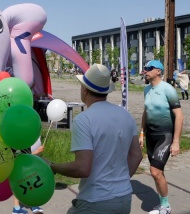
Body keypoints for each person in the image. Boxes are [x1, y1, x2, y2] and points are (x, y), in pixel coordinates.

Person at [50, 64, 143, 214]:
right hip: (124, 198)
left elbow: (82, 168)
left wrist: (53, 167)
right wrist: (119, 183)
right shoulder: (125, 115)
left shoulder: (84, 120)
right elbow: (137, 155)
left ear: (85, 90)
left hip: (95, 201)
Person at [140, 60, 184, 214]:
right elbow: (146, 112)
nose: (145, 71)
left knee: (154, 171)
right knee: (159, 172)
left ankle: (166, 207)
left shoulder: (168, 89)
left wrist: (176, 142)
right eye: (145, 68)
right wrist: (141, 132)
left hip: (165, 135)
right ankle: (162, 204)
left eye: (148, 68)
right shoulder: (146, 90)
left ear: (158, 71)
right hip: (150, 135)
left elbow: (179, 116)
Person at [12, 146, 45, 214]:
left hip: (23, 166)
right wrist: (37, 151)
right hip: (21, 166)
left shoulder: (22, 141)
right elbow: (20, 158)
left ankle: (18, 208)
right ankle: (31, 205)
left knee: (21, 185)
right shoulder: (16, 143)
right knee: (29, 183)